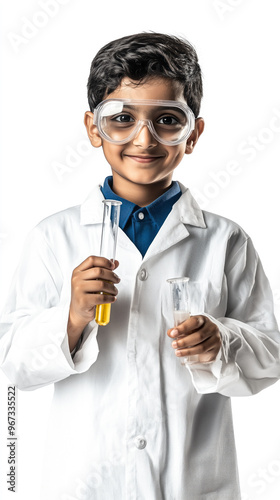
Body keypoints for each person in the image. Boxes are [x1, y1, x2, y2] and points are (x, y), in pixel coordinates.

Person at [0, 32, 279, 500]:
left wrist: (221, 340)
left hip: (193, 484)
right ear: (93, 128)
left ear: (193, 134)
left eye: (168, 120)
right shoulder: (54, 237)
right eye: (122, 119)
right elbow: (13, 364)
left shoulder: (226, 240)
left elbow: (270, 357)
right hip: (84, 484)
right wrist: (71, 319)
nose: (143, 138)